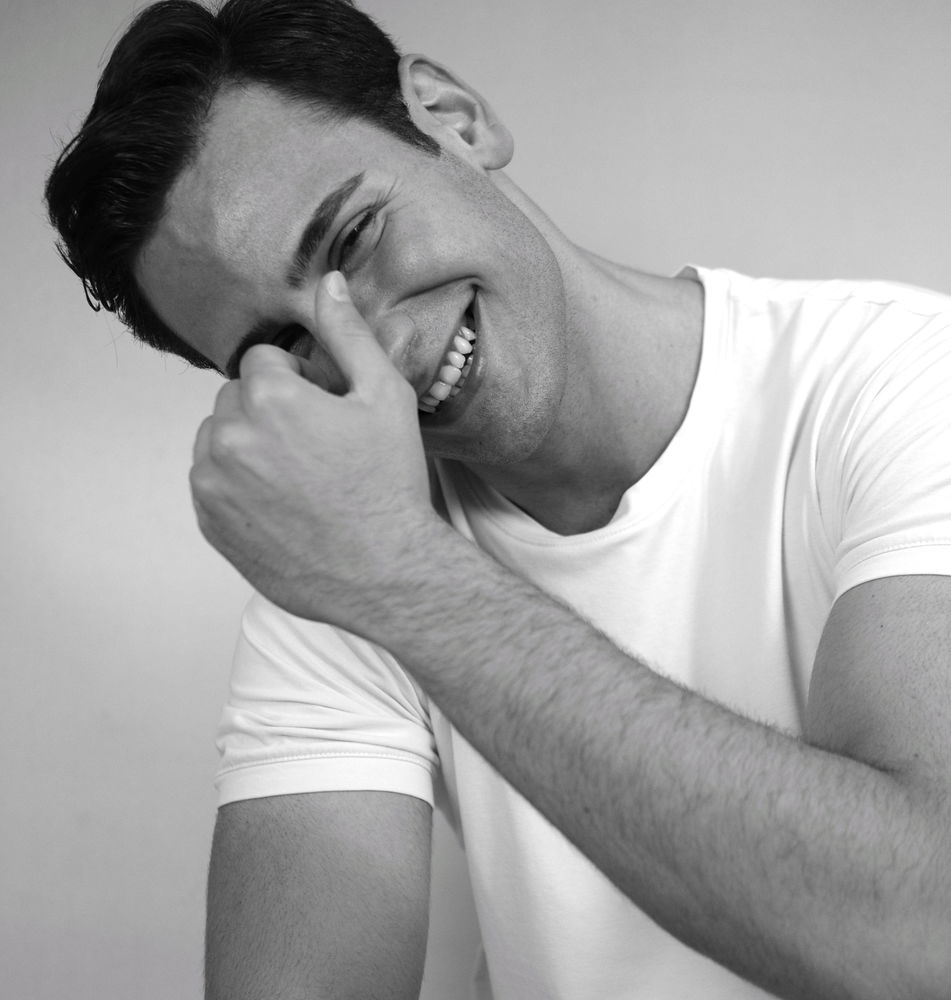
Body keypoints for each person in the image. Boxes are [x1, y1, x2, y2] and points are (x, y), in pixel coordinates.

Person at [45, 1, 951, 997]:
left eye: (353, 238)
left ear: (453, 118)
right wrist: (378, 563)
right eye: (290, 344)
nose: (381, 350)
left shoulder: (905, 381)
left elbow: (925, 936)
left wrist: (403, 573)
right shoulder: (338, 557)